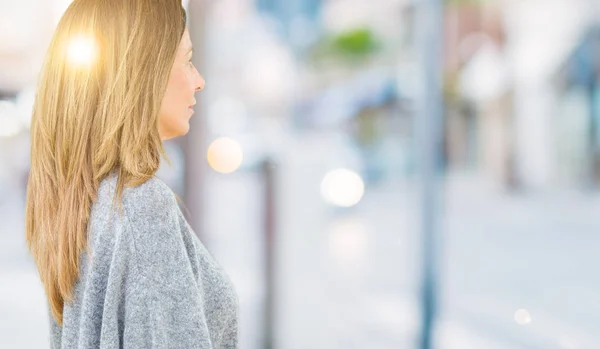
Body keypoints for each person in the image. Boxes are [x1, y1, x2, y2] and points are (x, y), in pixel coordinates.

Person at [24, 0, 239, 348]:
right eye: (187, 60)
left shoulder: (83, 204)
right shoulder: (141, 204)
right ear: (143, 71)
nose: (199, 81)